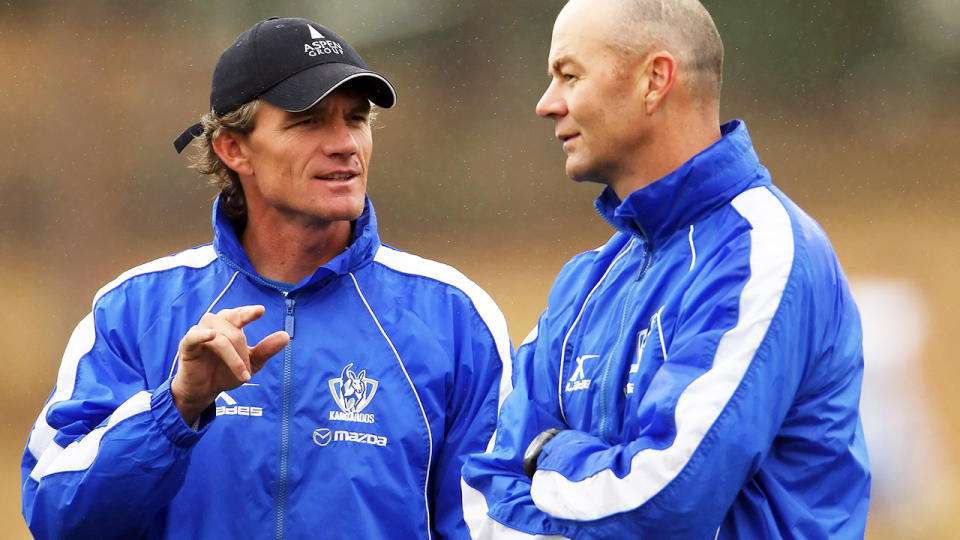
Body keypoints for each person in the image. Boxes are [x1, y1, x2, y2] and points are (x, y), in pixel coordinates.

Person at [21, 17, 511, 539]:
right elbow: (57, 514)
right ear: (234, 149)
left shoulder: (456, 316)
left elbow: (496, 525)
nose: (346, 143)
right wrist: (175, 407)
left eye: (357, 118)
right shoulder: (132, 310)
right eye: (310, 122)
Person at [461, 0, 870, 538]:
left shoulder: (760, 253)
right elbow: (484, 492)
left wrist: (550, 454)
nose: (546, 104)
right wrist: (585, 467)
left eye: (569, 75)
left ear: (655, 80)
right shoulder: (586, 281)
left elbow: (663, 503)